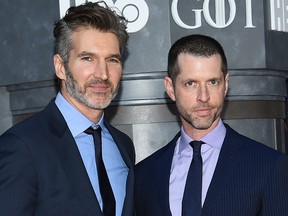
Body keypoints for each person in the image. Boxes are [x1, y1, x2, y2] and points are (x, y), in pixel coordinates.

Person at [0, 2, 135, 216]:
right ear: (61, 67)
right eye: (88, 58)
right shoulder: (23, 146)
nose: (103, 74)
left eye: (112, 60)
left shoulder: (123, 145)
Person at [134, 34, 288, 216]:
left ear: (226, 85)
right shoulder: (143, 174)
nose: (204, 97)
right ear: (170, 88)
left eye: (213, 82)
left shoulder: (268, 165)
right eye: (190, 83)